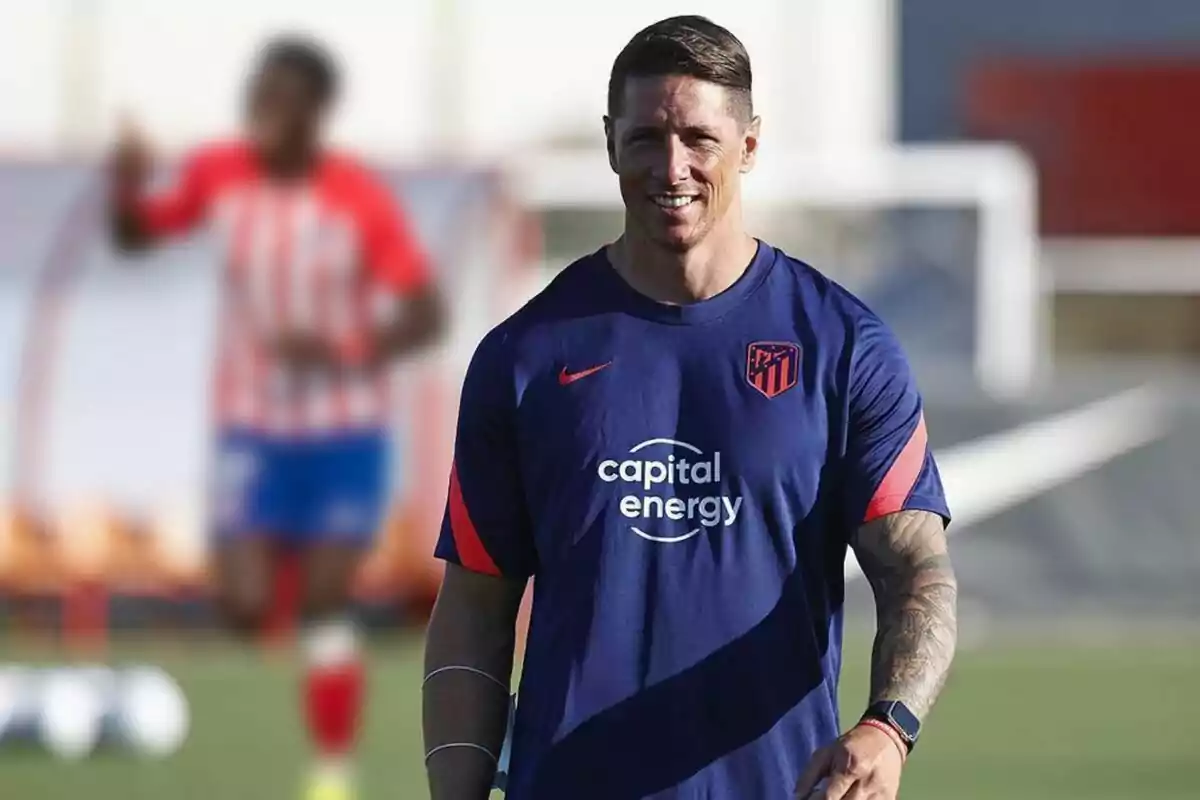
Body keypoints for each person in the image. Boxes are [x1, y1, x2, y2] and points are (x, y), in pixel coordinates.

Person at [422, 14, 958, 800]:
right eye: (645, 138)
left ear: (748, 143)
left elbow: (917, 569)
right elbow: (473, 607)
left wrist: (888, 726)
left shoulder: (844, 347)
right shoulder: (524, 357)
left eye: (699, 138)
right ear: (610, 143)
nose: (671, 166)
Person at [108, 35, 444, 800]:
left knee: (326, 599)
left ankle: (330, 770)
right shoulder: (218, 174)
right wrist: (125, 190)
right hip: (251, 429)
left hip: (342, 432)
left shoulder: (356, 199)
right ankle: (291, 620)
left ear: (314, 112)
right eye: (257, 93)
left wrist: (340, 348)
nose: (261, 109)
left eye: (279, 96)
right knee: (243, 605)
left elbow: (425, 311)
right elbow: (141, 233)